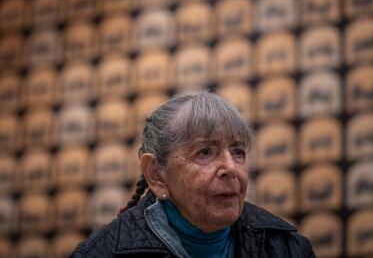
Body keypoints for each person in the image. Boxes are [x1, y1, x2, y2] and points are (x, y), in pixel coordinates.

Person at [70, 91, 315, 258]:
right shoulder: (100, 253)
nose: (230, 168)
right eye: (205, 152)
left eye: (238, 151)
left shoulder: (287, 247)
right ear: (156, 174)